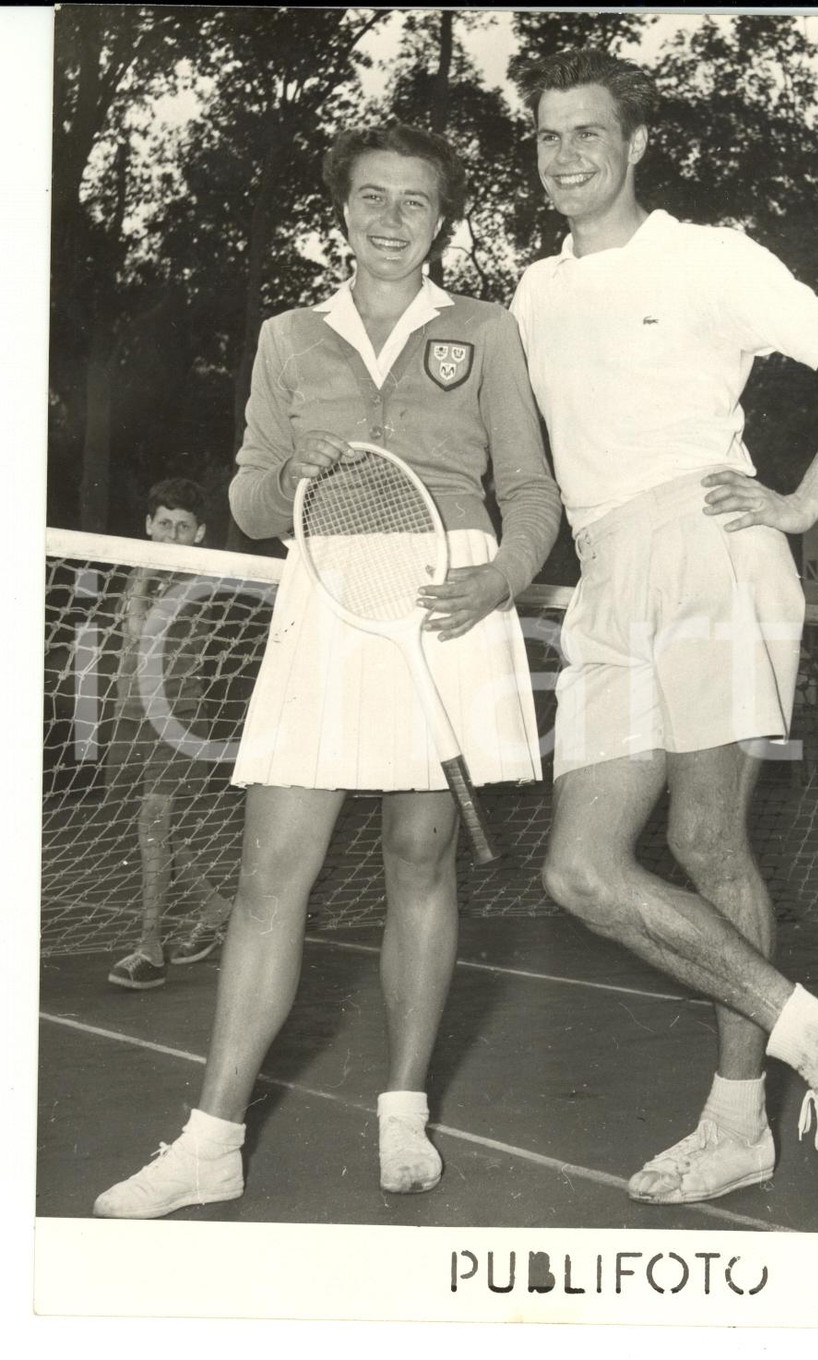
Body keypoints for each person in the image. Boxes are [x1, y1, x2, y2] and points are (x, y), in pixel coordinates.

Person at [93, 124, 561, 1217]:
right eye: (372, 197)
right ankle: (212, 1143)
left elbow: (532, 490)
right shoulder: (287, 336)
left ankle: (404, 1113)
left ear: (441, 220)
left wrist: (502, 578)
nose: (392, 218)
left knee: (420, 859)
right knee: (271, 872)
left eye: (415, 200)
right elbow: (251, 501)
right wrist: (285, 476)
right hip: (330, 600)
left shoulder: (485, 329)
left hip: (448, 600)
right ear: (341, 211)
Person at [510, 50, 818, 1215]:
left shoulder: (708, 257)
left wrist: (804, 502)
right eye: (547, 136)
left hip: (707, 541)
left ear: (635, 144)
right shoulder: (531, 294)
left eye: (588, 132)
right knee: (579, 869)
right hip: (603, 570)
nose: (566, 155)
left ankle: (736, 1125)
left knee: (705, 836)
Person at [106, 477, 232, 989]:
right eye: (164, 525)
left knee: (153, 822)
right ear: (148, 525)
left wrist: (143, 569)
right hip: (133, 713)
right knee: (156, 829)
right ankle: (215, 907)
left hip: (177, 718)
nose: (172, 535)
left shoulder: (194, 580)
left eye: (183, 527)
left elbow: (142, 630)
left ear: (199, 534)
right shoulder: (145, 569)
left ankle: (150, 949)